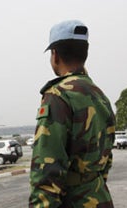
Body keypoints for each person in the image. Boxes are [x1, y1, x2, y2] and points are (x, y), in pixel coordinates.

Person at [29, 20, 116, 207]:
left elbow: (46, 170)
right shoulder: (100, 96)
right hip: (100, 198)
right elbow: (106, 160)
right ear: (85, 53)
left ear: (55, 55)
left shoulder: (58, 96)